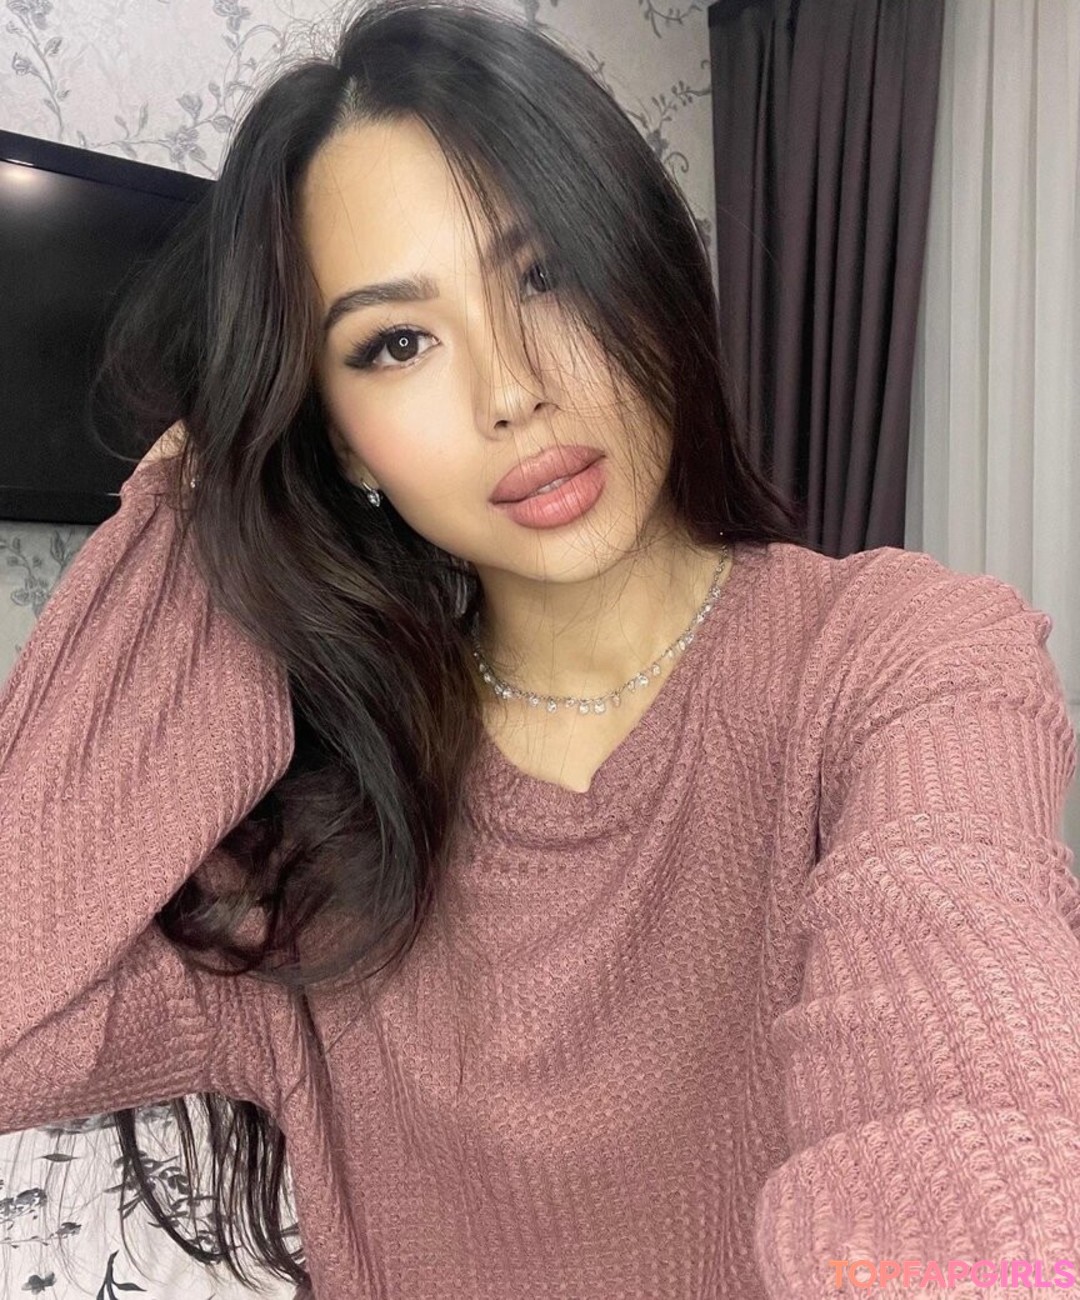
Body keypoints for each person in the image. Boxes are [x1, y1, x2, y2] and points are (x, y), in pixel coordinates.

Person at [2, 0, 1079, 1297]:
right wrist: (207, 495)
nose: (511, 390)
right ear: (339, 437)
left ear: (649, 271)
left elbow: (955, 1076)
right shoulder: (314, 851)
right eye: (396, 343)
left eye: (546, 272)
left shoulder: (900, 658)